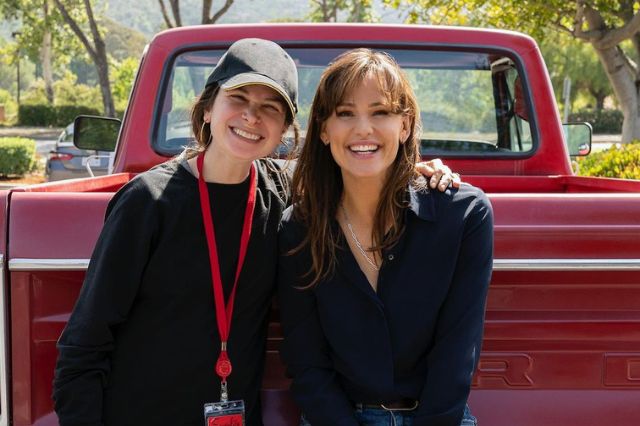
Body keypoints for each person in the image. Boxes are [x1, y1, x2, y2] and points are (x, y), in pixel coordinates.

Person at [52, 39, 458, 426]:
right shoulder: (149, 201)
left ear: (285, 128)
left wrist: (419, 174)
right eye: (239, 100)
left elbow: (356, 160)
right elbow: (84, 345)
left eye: (270, 107)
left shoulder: (282, 193)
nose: (251, 117)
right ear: (208, 109)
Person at [277, 49, 494, 426]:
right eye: (345, 113)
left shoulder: (462, 215)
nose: (363, 129)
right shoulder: (299, 226)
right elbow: (307, 362)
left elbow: (457, 352)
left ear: (405, 125)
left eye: (381, 112)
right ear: (324, 129)